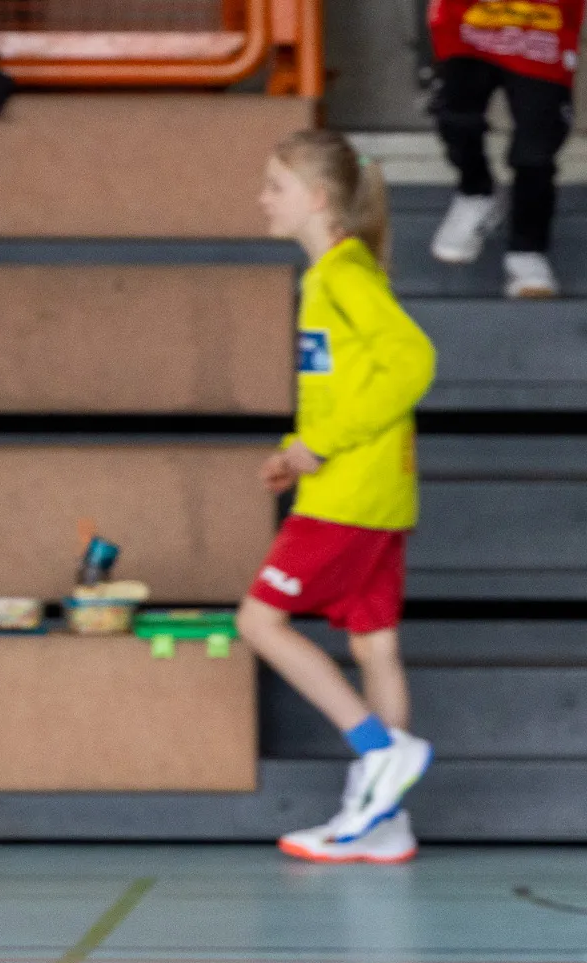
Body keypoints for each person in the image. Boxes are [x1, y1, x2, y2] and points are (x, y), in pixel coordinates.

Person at [243, 131, 437, 865]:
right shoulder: (339, 273)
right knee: (374, 643)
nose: (263, 199)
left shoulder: (342, 276)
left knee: (259, 621)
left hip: (348, 497)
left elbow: (412, 361)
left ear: (318, 199)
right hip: (373, 491)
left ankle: (379, 750)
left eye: (276, 186)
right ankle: (385, 820)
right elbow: (343, 387)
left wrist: (320, 446)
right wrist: (299, 449)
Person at [426, 0, 581, 298]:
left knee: (536, 145)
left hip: (544, 28)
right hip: (466, 19)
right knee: (455, 113)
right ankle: (476, 193)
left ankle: (527, 249)